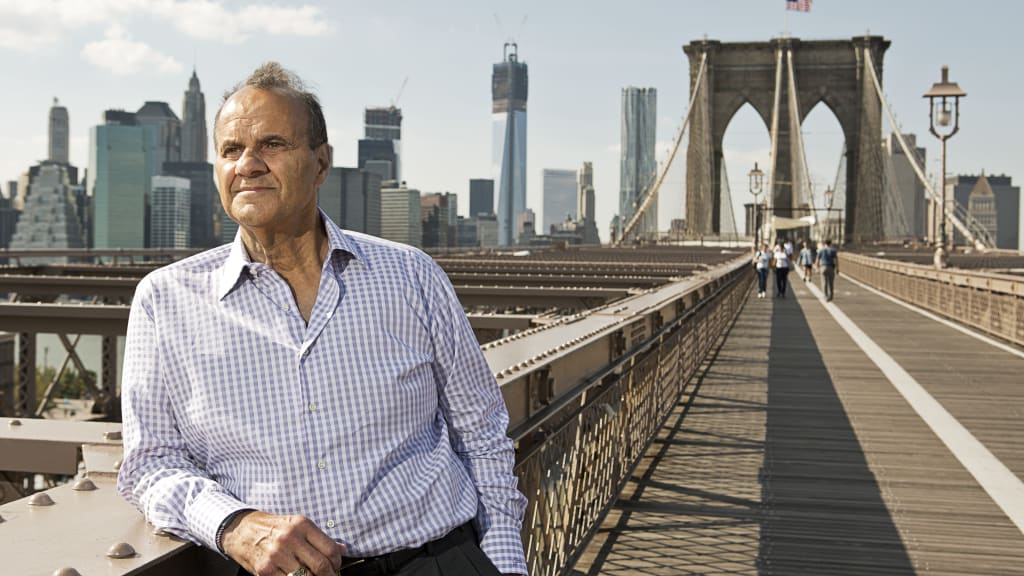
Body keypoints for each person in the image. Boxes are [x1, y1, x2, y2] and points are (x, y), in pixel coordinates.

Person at [117, 62, 527, 576]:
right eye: (230, 150)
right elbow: (150, 464)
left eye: (272, 144)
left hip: (435, 558)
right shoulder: (164, 300)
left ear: (321, 162)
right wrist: (232, 523)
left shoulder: (411, 277)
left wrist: (505, 565)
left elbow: (482, 436)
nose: (248, 164)